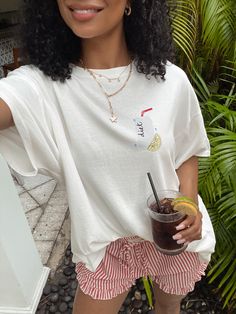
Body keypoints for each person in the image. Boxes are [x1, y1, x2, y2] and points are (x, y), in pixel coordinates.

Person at [0, 0, 216, 313]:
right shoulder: (40, 87)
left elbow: (187, 150)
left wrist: (189, 207)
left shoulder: (170, 81)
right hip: (105, 246)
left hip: (174, 234)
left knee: (168, 309)